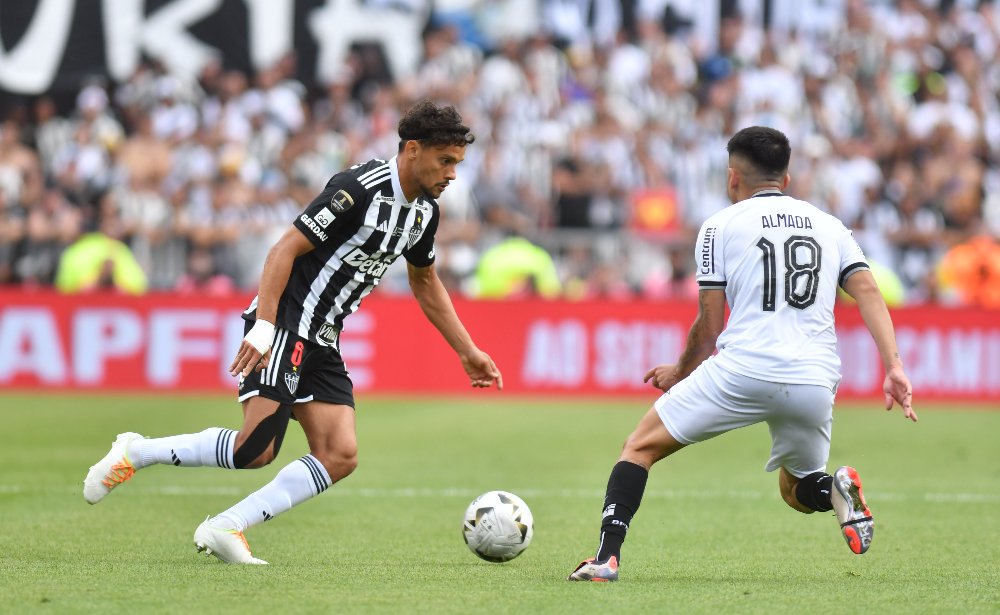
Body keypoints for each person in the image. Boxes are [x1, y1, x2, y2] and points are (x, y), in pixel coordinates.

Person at [83, 100, 503, 564]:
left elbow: (424, 281)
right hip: (284, 321)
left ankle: (227, 526)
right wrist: (263, 327)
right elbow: (283, 249)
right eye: (446, 161)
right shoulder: (356, 190)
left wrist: (467, 350)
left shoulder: (424, 213)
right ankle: (136, 452)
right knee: (256, 450)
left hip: (323, 336)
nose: (452, 175)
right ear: (412, 149)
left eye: (457, 164)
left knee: (340, 454)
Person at [568, 126, 917, 582]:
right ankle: (835, 488)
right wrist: (894, 365)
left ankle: (606, 559)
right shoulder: (830, 226)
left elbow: (710, 325)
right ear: (786, 180)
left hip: (743, 370)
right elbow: (867, 289)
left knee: (638, 447)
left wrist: (680, 370)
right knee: (798, 489)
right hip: (814, 377)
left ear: (733, 178)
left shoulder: (719, 226)